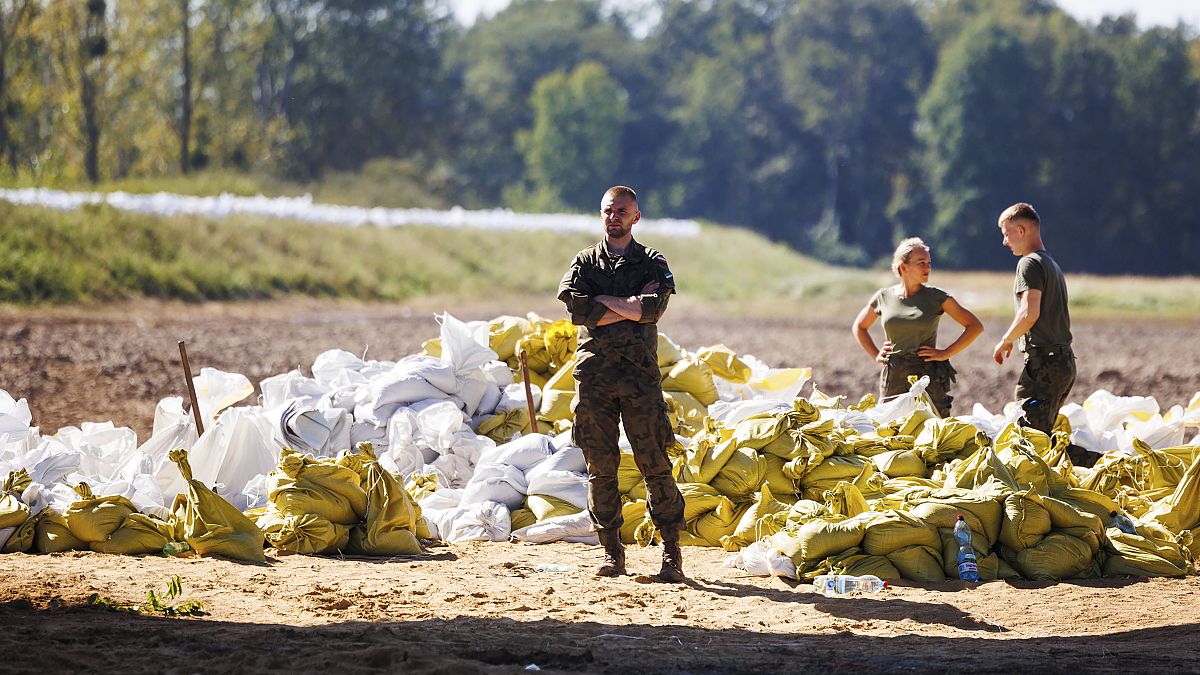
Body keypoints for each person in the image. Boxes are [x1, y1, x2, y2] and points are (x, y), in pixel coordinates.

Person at [557, 185, 686, 583]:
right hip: (595, 376)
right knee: (601, 467)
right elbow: (578, 310)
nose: (614, 217)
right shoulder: (585, 261)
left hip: (639, 378)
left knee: (655, 464)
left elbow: (653, 310)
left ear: (636, 217)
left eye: (622, 211)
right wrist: (627, 303)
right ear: (601, 215)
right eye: (608, 211)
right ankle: (613, 553)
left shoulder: (651, 261)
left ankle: (671, 555)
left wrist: (605, 302)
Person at [852, 237, 983, 417]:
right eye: (921, 263)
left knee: (933, 431)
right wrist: (876, 355)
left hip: (927, 376)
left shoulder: (937, 297)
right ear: (903, 267)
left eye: (929, 263)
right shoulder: (884, 297)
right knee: (890, 430)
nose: (927, 268)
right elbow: (859, 327)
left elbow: (974, 326)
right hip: (893, 375)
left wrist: (946, 353)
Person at [991, 202, 1077, 440]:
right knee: (1042, 437)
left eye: (1006, 234)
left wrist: (1006, 340)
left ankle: (1105, 463)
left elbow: (1029, 313)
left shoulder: (1028, 263)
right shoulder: (1052, 264)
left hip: (1045, 365)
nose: (1004, 241)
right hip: (1063, 361)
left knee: (1027, 439)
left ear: (1021, 231)